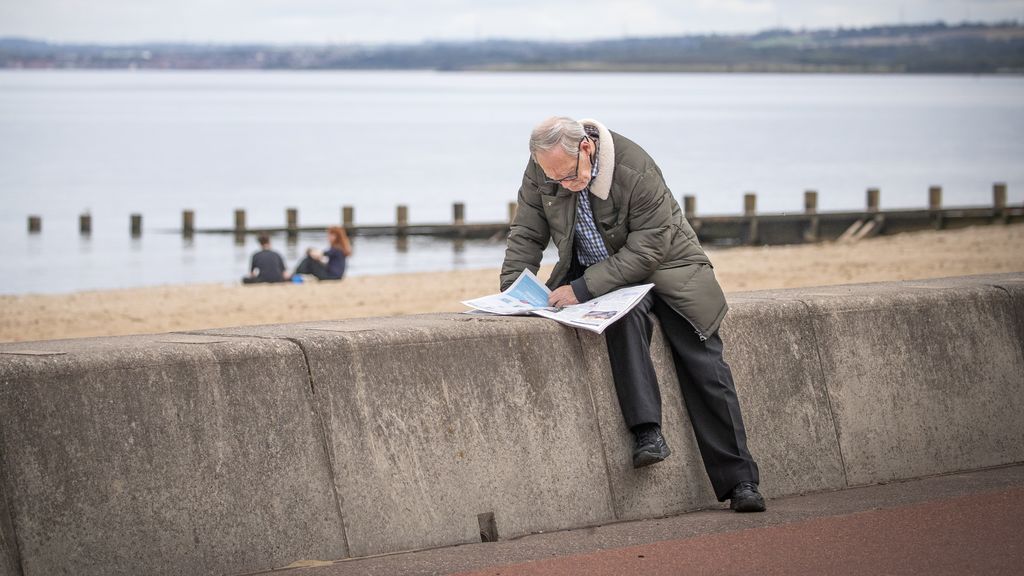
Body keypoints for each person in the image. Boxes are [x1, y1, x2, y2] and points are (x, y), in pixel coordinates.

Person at [500, 117, 765, 513]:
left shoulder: (634, 167)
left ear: (586, 149)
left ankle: (741, 482)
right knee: (623, 319)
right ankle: (647, 435)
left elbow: (650, 248)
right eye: (554, 178)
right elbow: (527, 232)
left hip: (669, 271)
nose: (563, 184)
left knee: (703, 361)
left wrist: (583, 289)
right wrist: (511, 290)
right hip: (605, 280)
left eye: (569, 176)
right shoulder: (546, 168)